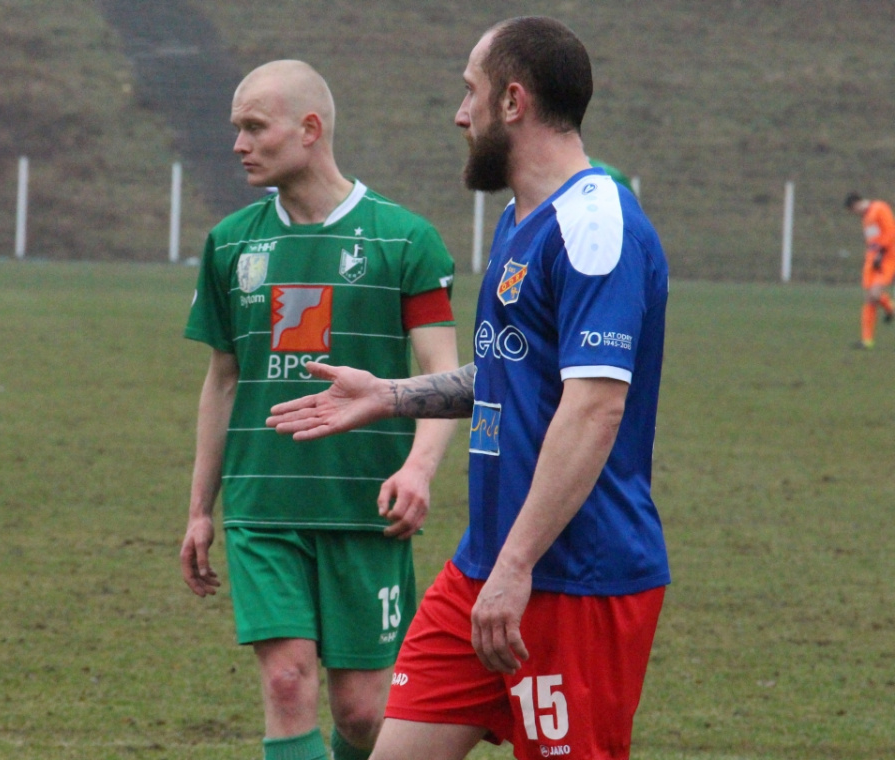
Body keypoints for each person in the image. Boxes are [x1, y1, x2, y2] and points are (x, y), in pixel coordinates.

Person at [268, 17, 670, 760]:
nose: (460, 114)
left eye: (470, 93)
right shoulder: (522, 220)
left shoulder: (595, 224)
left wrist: (517, 570)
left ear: (513, 102)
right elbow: (514, 377)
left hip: (576, 582)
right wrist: (391, 395)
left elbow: (594, 408)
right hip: (483, 568)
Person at [179, 60, 459, 760]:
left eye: (254, 127)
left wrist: (420, 470)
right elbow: (222, 380)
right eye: (235, 129)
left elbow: (445, 375)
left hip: (364, 507)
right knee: (286, 681)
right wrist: (199, 508)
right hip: (263, 505)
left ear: (310, 129)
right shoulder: (230, 244)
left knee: (364, 714)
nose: (239, 144)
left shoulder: (405, 240)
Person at [844, 191, 895, 349]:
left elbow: (891, 232)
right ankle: (867, 341)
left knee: (874, 294)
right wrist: (872, 257)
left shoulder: (880, 208)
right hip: (872, 260)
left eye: (853, 210)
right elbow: (872, 240)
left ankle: (890, 308)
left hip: (886, 258)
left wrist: (880, 253)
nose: (855, 214)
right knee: (869, 298)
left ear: (857, 204)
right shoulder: (865, 218)